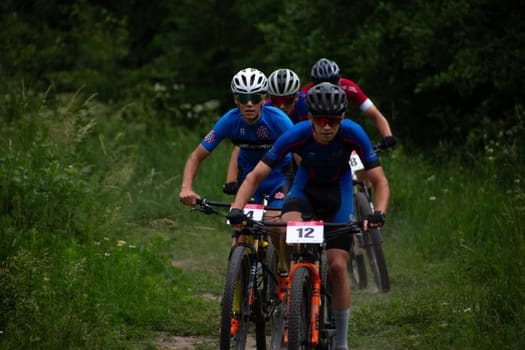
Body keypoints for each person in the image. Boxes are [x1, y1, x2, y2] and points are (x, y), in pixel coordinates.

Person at [227, 82, 390, 350]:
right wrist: (237, 207)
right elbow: (256, 175)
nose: (327, 127)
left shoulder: (353, 134)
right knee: (287, 230)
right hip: (304, 192)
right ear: (310, 118)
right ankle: (292, 292)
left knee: (337, 266)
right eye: (321, 120)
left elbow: (379, 182)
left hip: (338, 195)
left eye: (334, 120)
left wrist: (377, 213)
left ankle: (341, 342)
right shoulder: (297, 134)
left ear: (343, 119)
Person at [179, 67, 294, 211]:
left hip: (278, 177)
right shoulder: (229, 120)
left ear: (264, 99)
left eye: (255, 97)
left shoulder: (279, 120)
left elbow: (300, 152)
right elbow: (196, 156)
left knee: (276, 225)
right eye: (244, 98)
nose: (250, 103)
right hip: (248, 179)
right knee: (241, 228)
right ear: (236, 99)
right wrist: (186, 187)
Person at [223, 68, 308, 195]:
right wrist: (231, 180)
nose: (282, 106)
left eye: (287, 100)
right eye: (276, 101)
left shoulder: (307, 105)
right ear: (268, 98)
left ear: (296, 97)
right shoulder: (263, 109)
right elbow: (241, 145)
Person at [301, 58, 397, 149]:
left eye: (334, 84)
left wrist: (387, 136)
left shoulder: (349, 87)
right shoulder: (305, 95)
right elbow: (300, 124)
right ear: (314, 85)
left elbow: (374, 114)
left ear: (340, 79)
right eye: (322, 86)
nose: (329, 89)